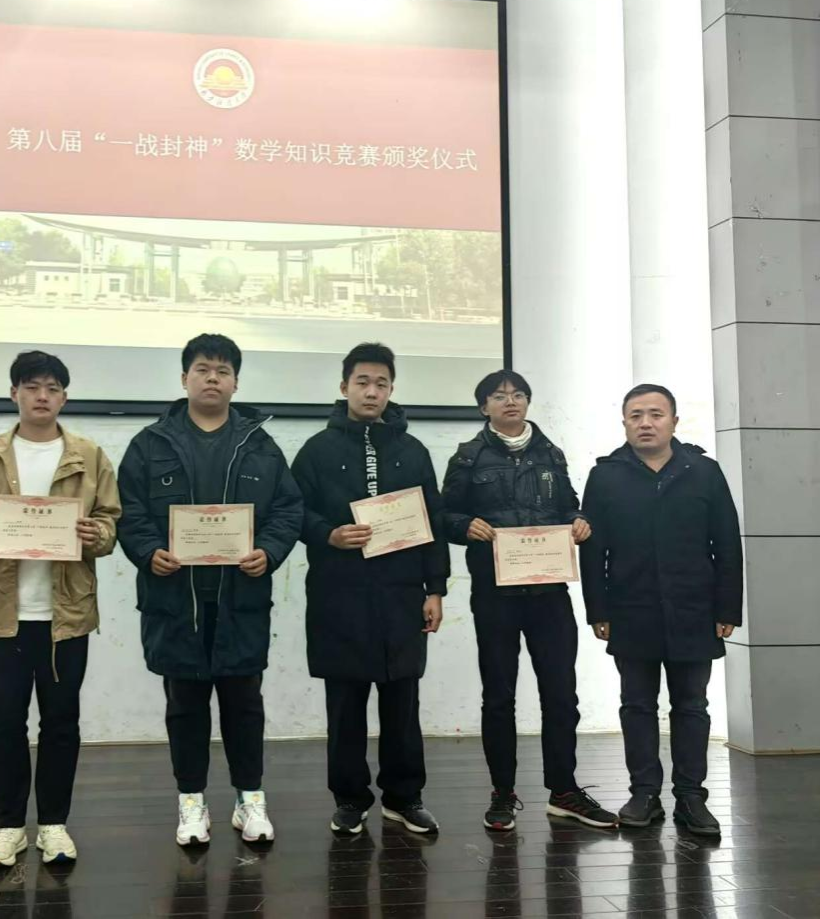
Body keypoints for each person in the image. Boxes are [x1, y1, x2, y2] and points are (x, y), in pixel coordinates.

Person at [116, 334, 302, 846]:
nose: (212, 378)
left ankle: (250, 800)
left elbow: (288, 510)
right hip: (176, 600)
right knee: (185, 708)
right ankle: (191, 803)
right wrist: (148, 551)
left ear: (236, 382)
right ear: (185, 379)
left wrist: (269, 550)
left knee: (245, 706)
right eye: (202, 369)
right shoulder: (150, 444)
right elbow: (128, 511)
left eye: (223, 370)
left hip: (241, 599)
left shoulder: (260, 445)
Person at [0, 351, 121, 866]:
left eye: (52, 388)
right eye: (31, 387)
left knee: (61, 722)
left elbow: (111, 524)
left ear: (64, 397)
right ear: (14, 394)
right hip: (2, 613)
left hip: (66, 615)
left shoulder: (89, 456)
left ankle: (53, 825)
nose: (42, 396)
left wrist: (96, 534)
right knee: (4, 724)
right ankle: (8, 828)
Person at [441, 370, 616, 831]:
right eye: (499, 396)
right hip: (494, 594)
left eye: (518, 394)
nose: (510, 401)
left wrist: (578, 520)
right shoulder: (467, 457)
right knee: (498, 697)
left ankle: (564, 791)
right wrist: (463, 526)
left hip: (549, 593)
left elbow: (569, 504)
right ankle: (502, 793)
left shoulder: (550, 453)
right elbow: (445, 514)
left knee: (561, 695)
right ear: (484, 407)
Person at [291, 342, 448, 836]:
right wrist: (329, 534)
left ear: (391, 390)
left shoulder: (413, 451)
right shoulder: (317, 450)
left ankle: (404, 797)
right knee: (345, 704)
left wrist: (435, 589)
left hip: (401, 594)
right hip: (339, 593)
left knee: (403, 702)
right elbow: (293, 512)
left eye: (381, 383)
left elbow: (433, 522)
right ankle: (349, 798)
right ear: (344, 387)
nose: (371, 391)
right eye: (362, 382)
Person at [580, 384, 742, 836]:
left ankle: (691, 797)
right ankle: (644, 794)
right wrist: (598, 609)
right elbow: (593, 550)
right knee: (636, 705)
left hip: (695, 607)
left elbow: (727, 543)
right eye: (636, 415)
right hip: (631, 608)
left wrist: (727, 607)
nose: (645, 423)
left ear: (674, 421)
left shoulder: (703, 471)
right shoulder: (605, 476)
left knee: (692, 705)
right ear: (624, 423)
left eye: (655, 414)